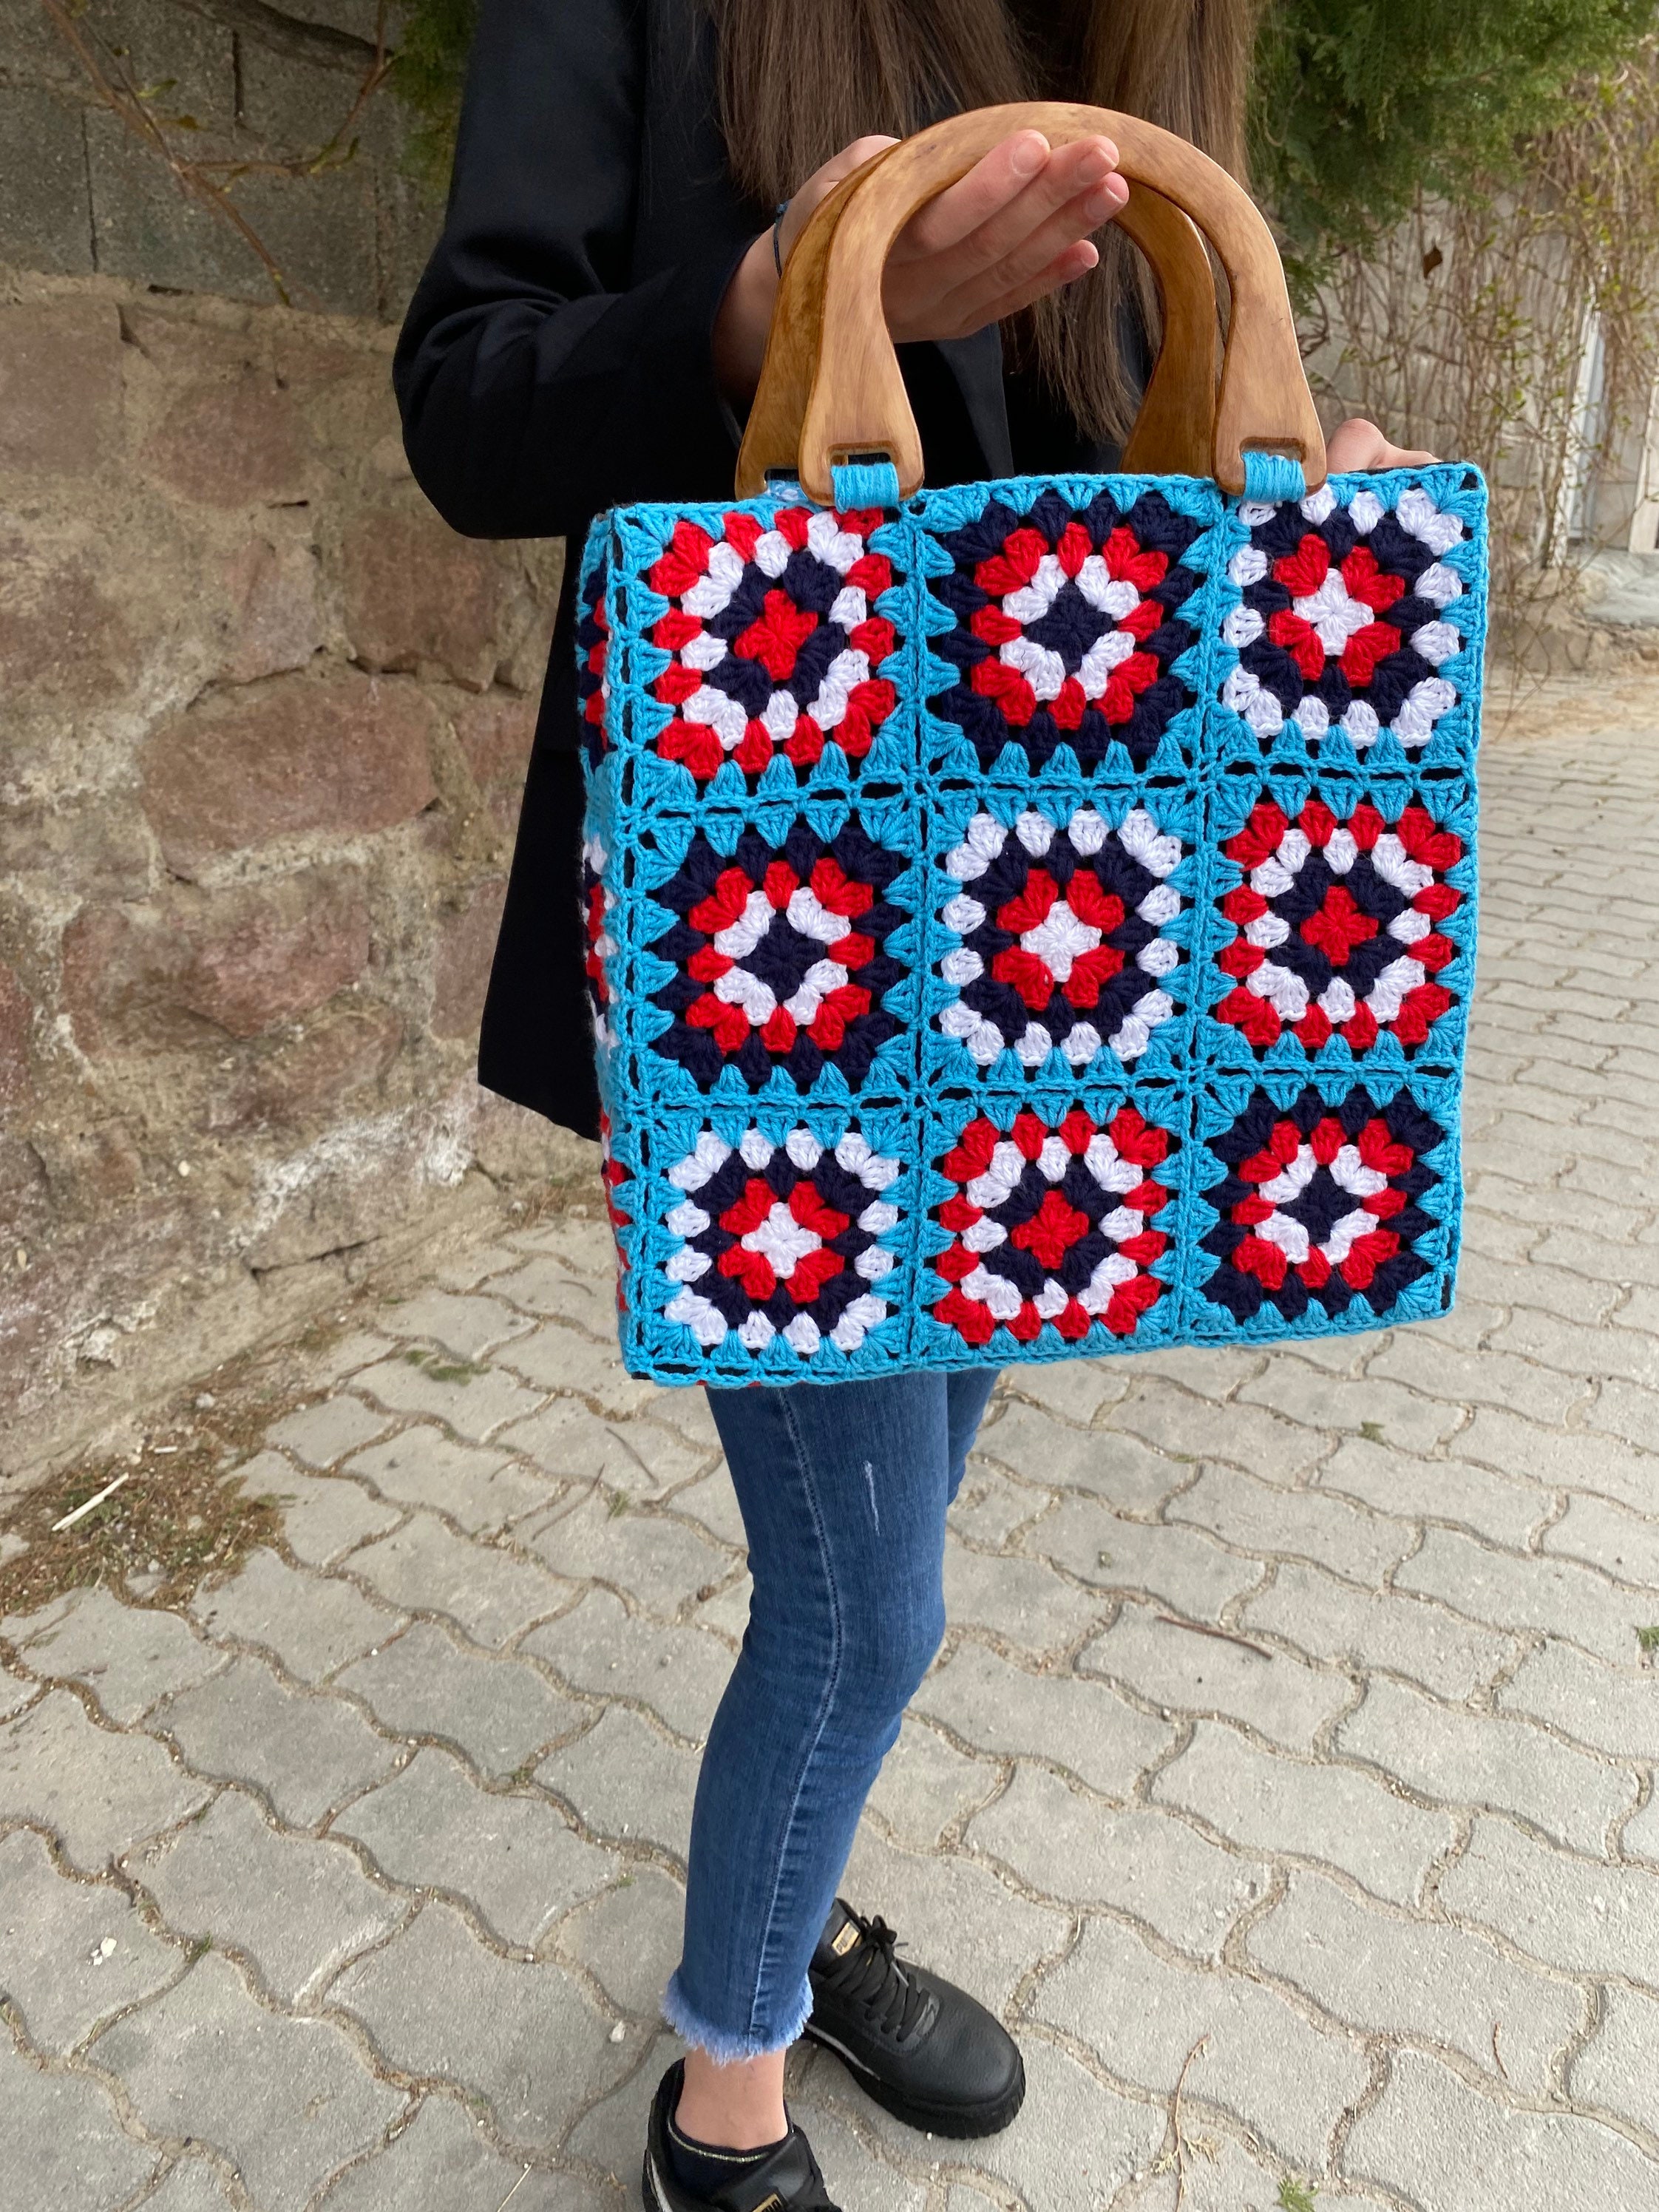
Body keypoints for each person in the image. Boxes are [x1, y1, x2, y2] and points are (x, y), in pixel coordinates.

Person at [395, 7, 1430, 2206]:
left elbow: (1129, 480)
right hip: (810, 989)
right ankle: (725, 2080)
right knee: (871, 1606)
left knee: (888, 1559)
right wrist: (784, 297)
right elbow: (464, 405)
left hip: (1073, 997)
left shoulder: (1137, 32)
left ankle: (793, 1909)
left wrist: (1279, 525)